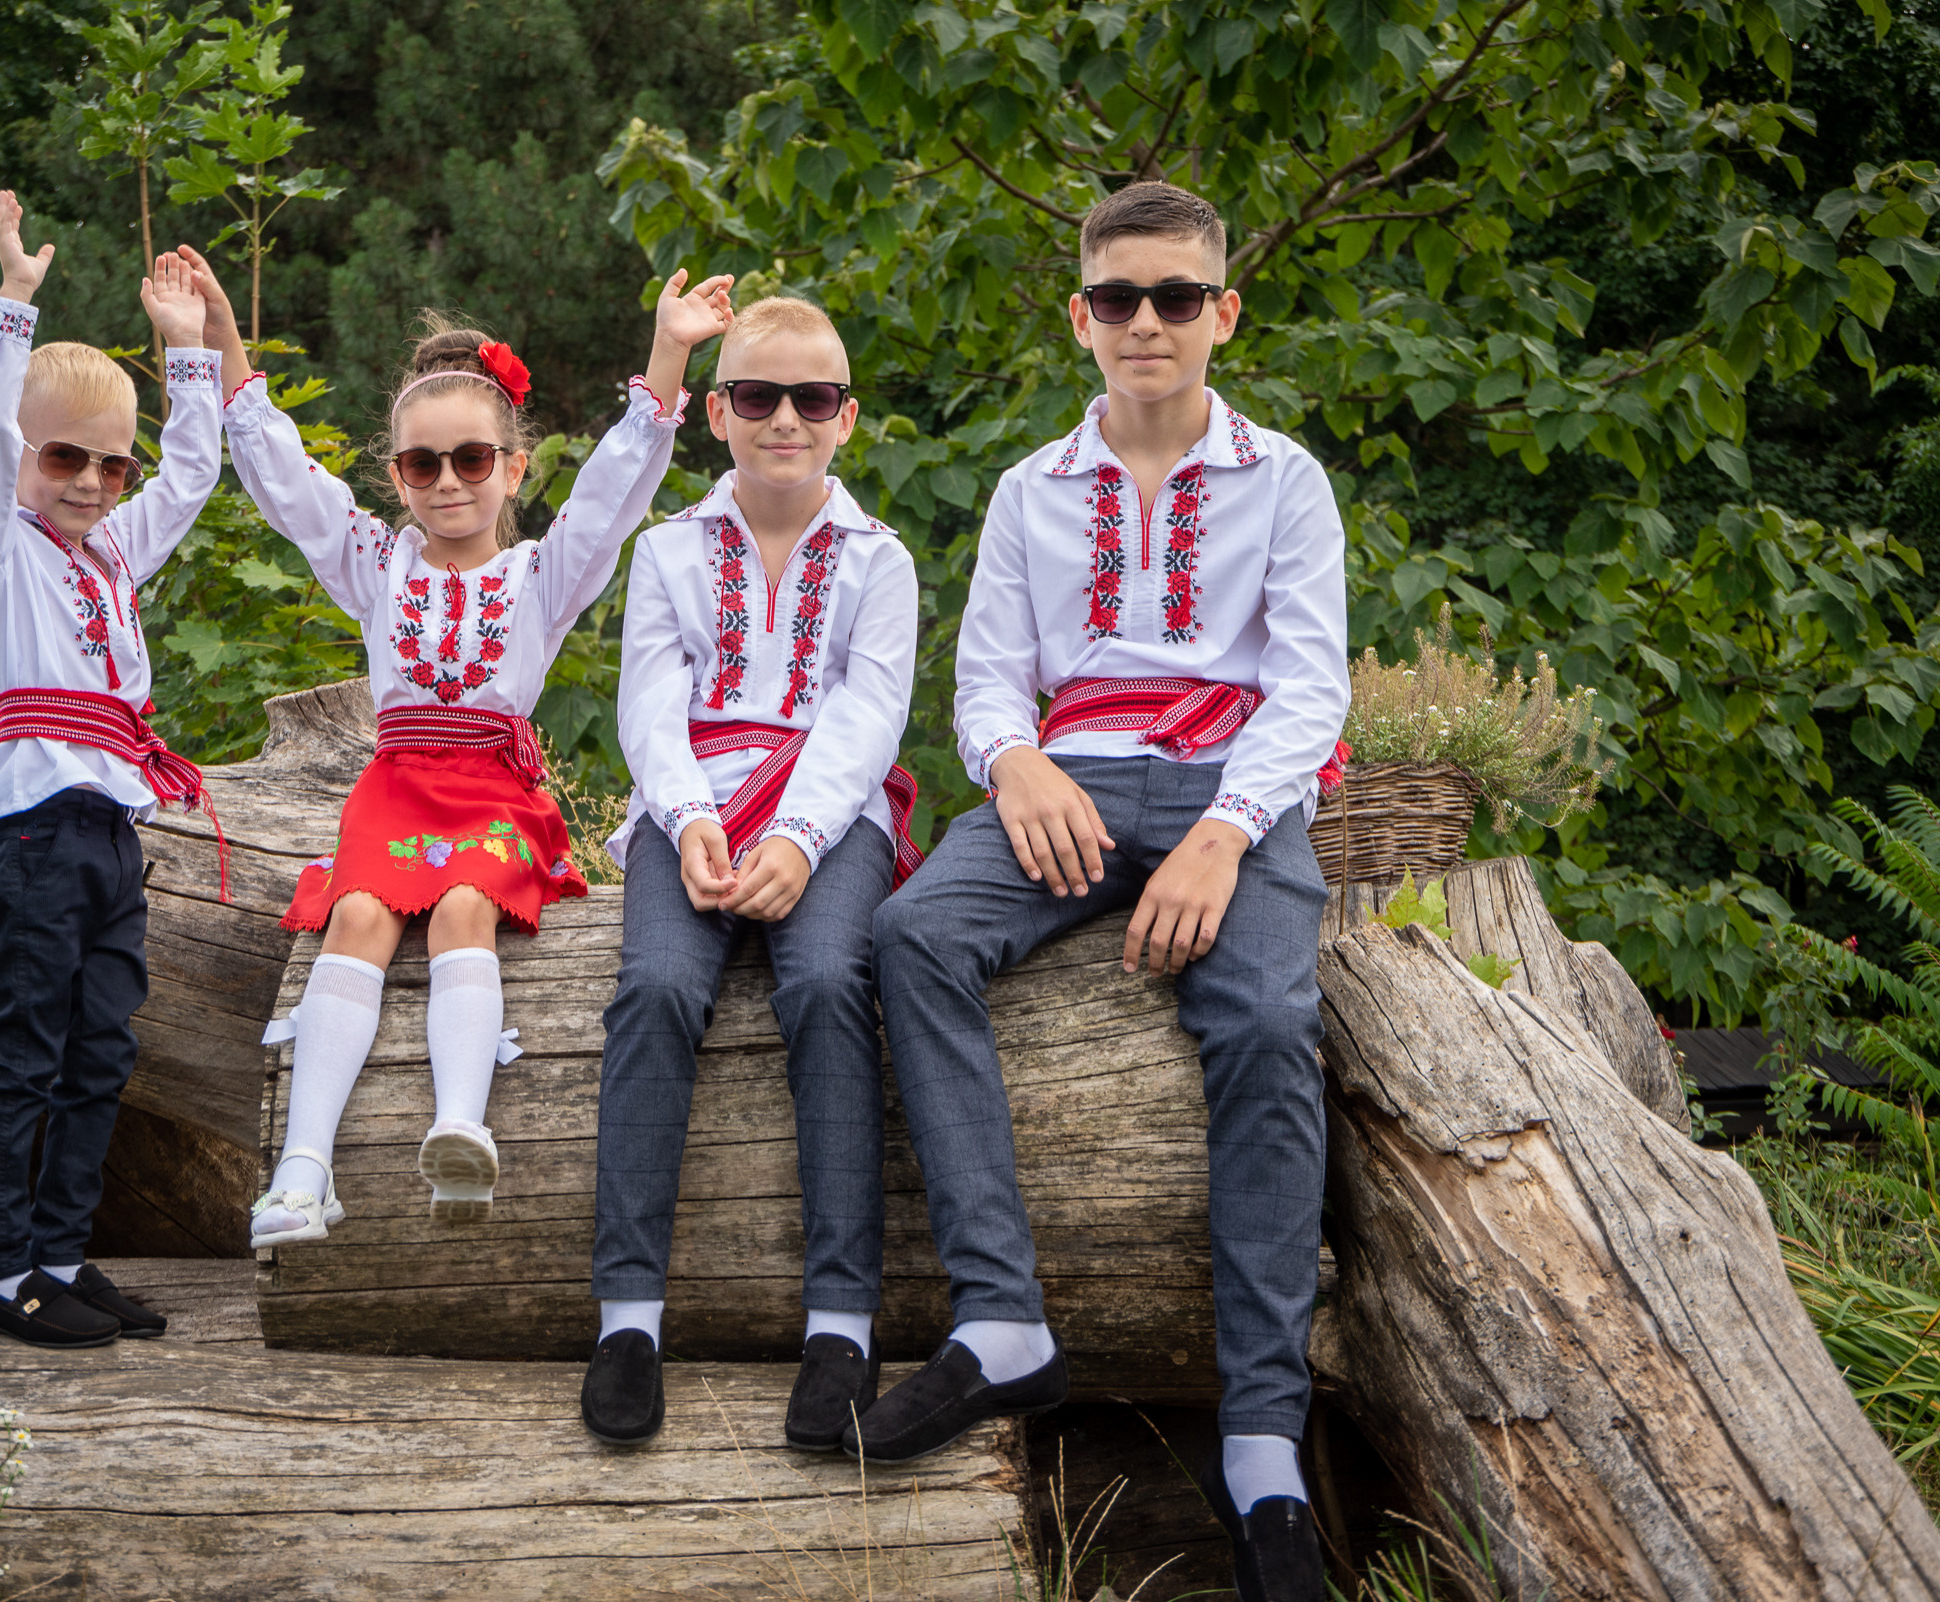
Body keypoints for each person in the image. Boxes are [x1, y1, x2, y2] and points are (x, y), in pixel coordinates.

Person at [846, 181, 1346, 1602]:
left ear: (1222, 315)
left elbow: (1310, 683)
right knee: (911, 932)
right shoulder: (1029, 490)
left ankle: (1261, 1446)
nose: (1147, 322)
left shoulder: (1284, 480)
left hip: (1227, 788)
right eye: (1119, 297)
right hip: (1067, 784)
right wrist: (1012, 764)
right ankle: (1001, 1319)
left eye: (1176, 297)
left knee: (1260, 1024)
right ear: (1081, 316)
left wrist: (1227, 829)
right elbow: (987, 672)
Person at [198, 248, 737, 1241]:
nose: (447, 482)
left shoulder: (544, 574)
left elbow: (618, 487)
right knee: (355, 913)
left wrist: (667, 354)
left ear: (514, 467)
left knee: (460, 903)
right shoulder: (374, 561)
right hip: (397, 785)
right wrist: (224, 338)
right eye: (421, 464)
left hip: (490, 787)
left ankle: (459, 1133)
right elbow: (282, 476)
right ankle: (302, 1172)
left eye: (472, 459)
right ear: (396, 477)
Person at [580, 297, 921, 1450]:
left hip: (825, 819)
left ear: (846, 418)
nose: (785, 418)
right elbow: (648, 704)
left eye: (811, 398)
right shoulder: (668, 549)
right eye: (759, 395)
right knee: (657, 993)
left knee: (829, 986)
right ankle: (627, 1318)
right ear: (718, 410)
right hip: (694, 813)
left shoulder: (880, 560)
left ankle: (841, 1327)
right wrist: (682, 819)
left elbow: (869, 714)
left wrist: (801, 839)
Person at [0, 191, 229, 1349]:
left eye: (113, 467)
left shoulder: (108, 551)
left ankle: (59, 1256)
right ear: (29, 454)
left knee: (103, 1044)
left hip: (112, 831)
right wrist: (14, 300)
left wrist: (185, 350)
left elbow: (195, 474)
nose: (94, 484)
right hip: (31, 832)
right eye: (67, 458)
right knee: (26, 1049)